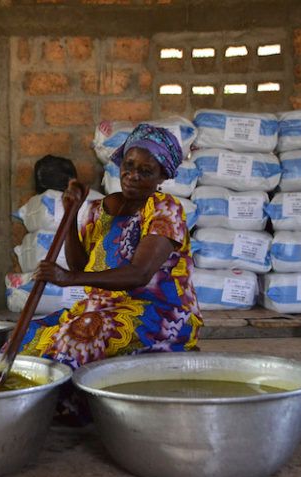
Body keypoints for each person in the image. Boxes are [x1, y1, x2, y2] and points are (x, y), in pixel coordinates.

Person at [14, 124, 202, 411]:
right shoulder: (97, 210)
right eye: (129, 165)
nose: (133, 176)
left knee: (76, 338)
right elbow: (79, 265)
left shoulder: (165, 209)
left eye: (146, 171)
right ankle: (19, 401)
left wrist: (69, 277)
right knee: (29, 333)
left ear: (163, 176)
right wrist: (71, 215)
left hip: (158, 313)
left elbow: (140, 273)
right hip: (102, 306)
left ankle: (64, 409)